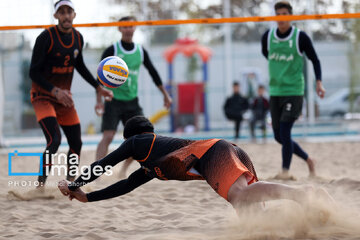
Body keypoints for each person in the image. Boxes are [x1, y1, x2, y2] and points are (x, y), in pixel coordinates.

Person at [58, 116, 335, 216]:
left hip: (212, 153)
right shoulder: (150, 166)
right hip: (220, 153)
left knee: (241, 196)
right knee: (250, 215)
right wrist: (88, 197)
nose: (125, 151)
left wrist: (73, 185)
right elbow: (126, 185)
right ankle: (307, 218)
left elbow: (104, 163)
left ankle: (306, 194)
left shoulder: (139, 142)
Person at [29, 0, 113, 186]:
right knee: (55, 140)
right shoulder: (46, 37)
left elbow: (80, 66)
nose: (66, 15)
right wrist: (55, 91)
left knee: (77, 143)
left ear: (74, 14)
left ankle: (71, 183)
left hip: (64, 99)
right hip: (42, 96)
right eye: (62, 12)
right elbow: (33, 72)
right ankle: (40, 185)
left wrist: (98, 87)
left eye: (69, 12)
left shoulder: (78, 38)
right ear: (56, 16)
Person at [95, 16, 172, 177]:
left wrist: (165, 95)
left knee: (141, 138)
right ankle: (97, 173)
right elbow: (99, 78)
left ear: (134, 28)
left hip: (132, 102)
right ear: (119, 29)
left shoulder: (140, 51)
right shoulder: (112, 50)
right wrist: (99, 101)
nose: (128, 29)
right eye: (125, 26)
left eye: (131, 26)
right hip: (113, 100)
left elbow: (153, 73)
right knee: (107, 136)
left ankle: (122, 170)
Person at [261, 1, 326, 179]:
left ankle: (285, 172)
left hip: (294, 91)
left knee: (285, 131)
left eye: (284, 14)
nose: (281, 18)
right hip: (275, 91)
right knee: (278, 136)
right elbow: (266, 54)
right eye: (278, 14)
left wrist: (318, 82)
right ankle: (308, 159)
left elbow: (315, 59)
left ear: (290, 16)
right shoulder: (267, 37)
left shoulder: (300, 37)